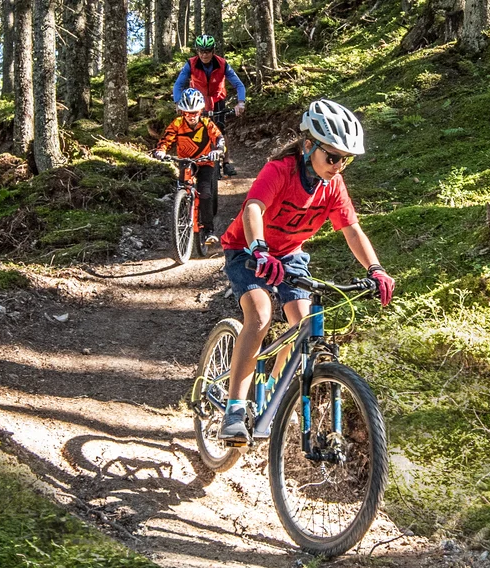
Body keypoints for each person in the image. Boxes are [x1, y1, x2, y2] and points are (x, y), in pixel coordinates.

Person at [217, 99, 395, 444]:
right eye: (332, 157)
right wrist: (258, 248)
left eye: (346, 159)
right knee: (260, 315)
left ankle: (272, 390)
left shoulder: (333, 185)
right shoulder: (280, 171)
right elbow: (253, 208)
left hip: (289, 254)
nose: (338, 166)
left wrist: (375, 268)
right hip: (247, 249)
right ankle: (235, 407)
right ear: (309, 145)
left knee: (303, 326)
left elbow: (352, 230)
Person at [151, 89, 227, 249]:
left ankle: (208, 230)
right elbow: (166, 139)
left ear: (200, 111)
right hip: (185, 162)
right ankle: (182, 215)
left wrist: (218, 150)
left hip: (205, 162)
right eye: (187, 113)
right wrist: (161, 150)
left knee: (205, 193)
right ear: (182, 112)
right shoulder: (177, 124)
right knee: (182, 189)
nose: (191, 116)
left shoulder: (207, 123)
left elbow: (219, 138)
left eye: (195, 112)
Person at [172, 35, 247, 177]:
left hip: (217, 99)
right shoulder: (191, 64)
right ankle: (196, 161)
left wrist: (241, 102)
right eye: (201, 51)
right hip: (198, 101)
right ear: (197, 51)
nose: (204, 54)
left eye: (207, 51)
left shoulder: (222, 64)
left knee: (220, 130)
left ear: (213, 51)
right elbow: (178, 84)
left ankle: (226, 162)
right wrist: (178, 102)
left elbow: (238, 84)